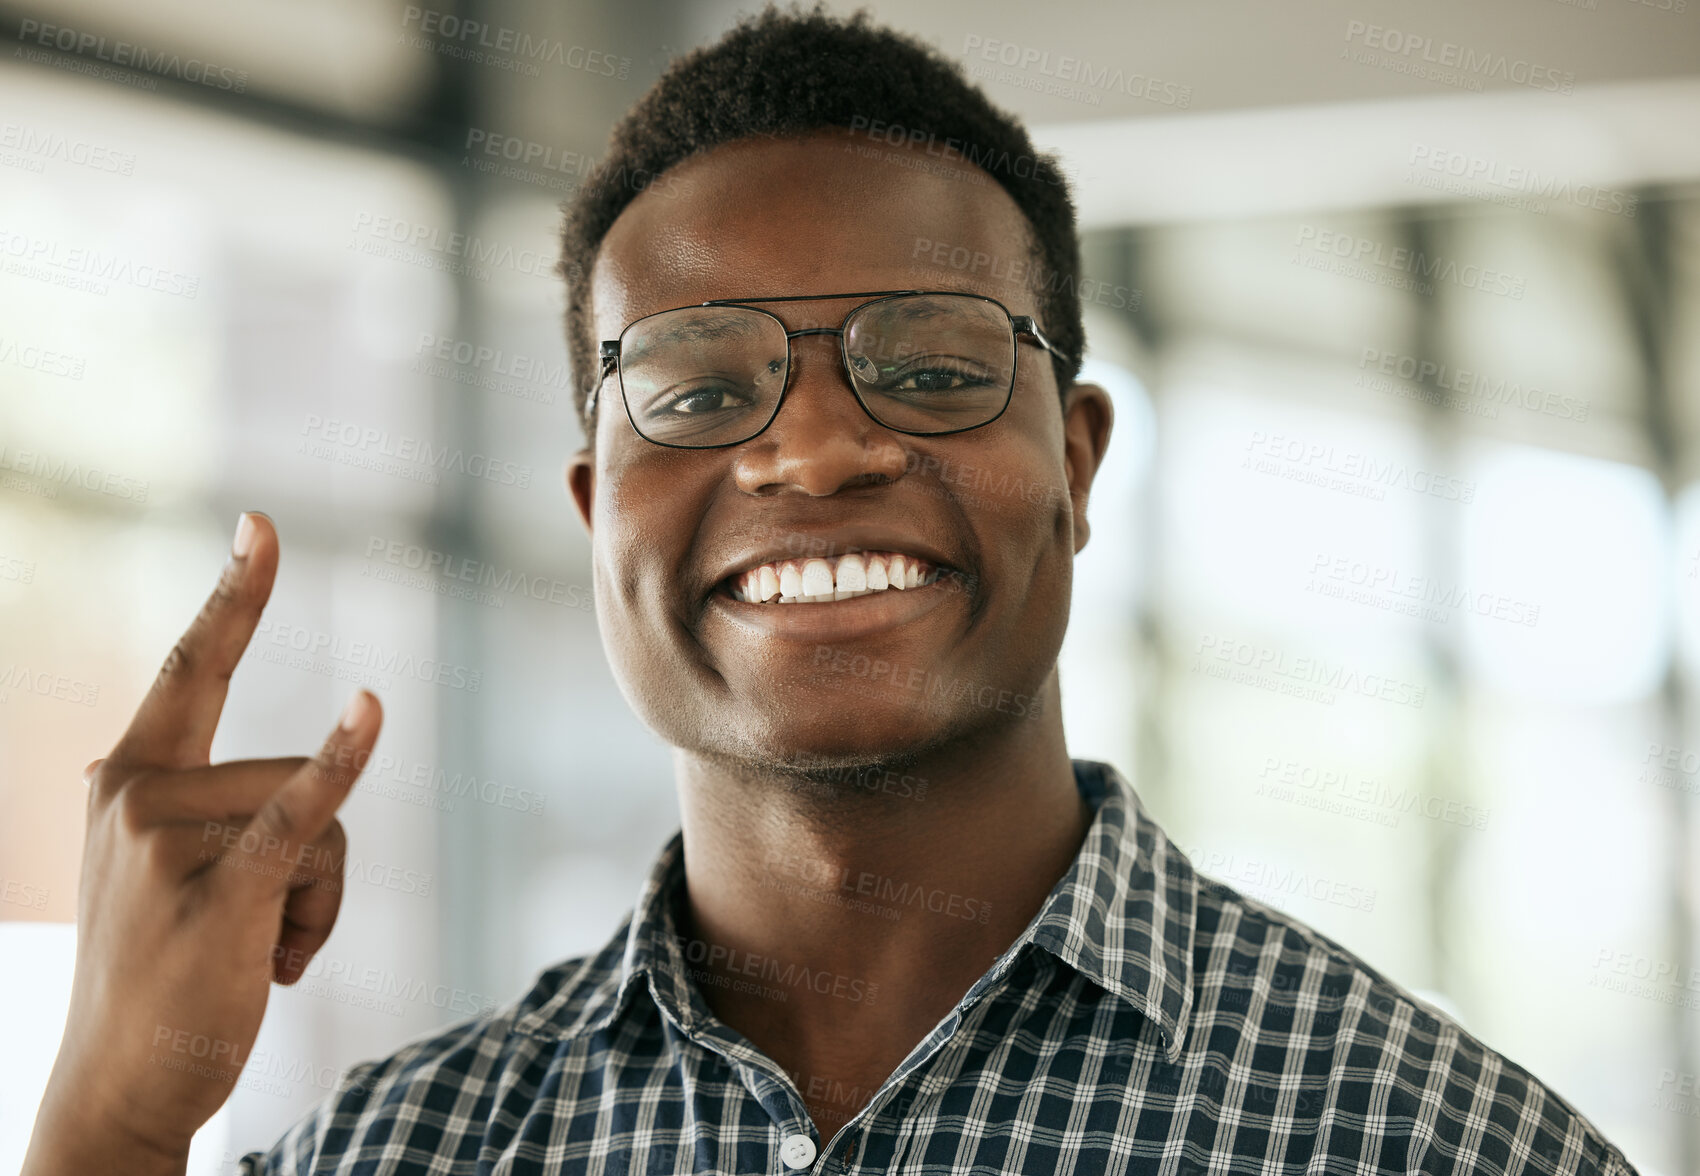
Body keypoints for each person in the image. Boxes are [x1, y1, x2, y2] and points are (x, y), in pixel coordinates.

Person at [23, 6, 1638, 1174]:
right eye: (696, 384)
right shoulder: (397, 1152)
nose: (808, 449)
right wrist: (111, 1123)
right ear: (598, 514)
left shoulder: (1433, 1142)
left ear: (1076, 464)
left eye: (931, 365)